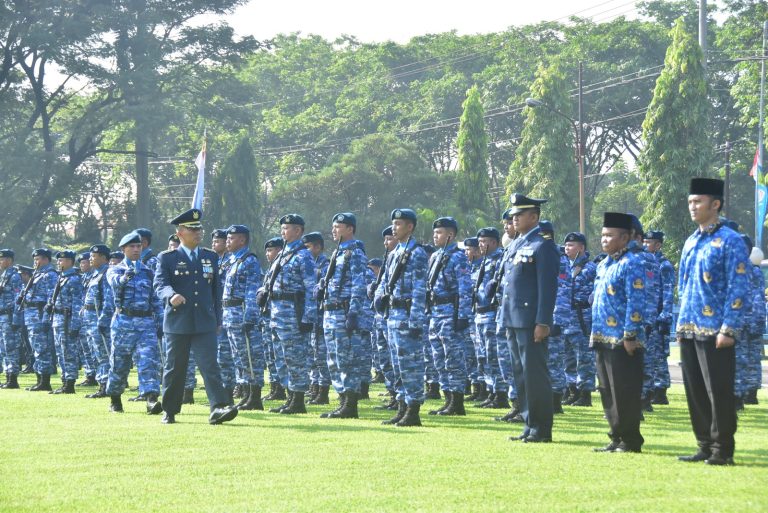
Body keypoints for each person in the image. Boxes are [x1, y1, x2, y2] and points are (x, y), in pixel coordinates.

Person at [677, 177, 749, 466]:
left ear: (715, 204)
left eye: (699, 202)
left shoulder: (730, 240)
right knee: (694, 390)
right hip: (690, 327)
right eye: (690, 202)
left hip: (716, 330)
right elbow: (683, 287)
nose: (693, 207)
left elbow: (738, 286)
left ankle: (722, 449)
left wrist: (729, 328)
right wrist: (681, 325)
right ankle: (704, 444)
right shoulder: (692, 240)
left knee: (718, 390)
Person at [154, 209, 238, 425]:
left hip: (204, 321)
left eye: (199, 228)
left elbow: (216, 292)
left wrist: (218, 320)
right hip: (177, 321)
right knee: (174, 368)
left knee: (210, 365)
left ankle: (218, 407)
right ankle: (170, 410)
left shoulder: (209, 256)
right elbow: (160, 284)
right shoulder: (167, 258)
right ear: (180, 232)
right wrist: (171, 295)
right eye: (192, 229)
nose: (198, 232)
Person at [498, 193, 559, 443]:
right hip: (513, 319)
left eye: (519, 214)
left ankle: (541, 428)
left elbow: (547, 287)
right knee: (520, 375)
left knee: (535, 375)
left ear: (534, 217)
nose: (514, 218)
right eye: (513, 214)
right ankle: (528, 423)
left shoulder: (543, 246)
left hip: (531, 321)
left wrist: (543, 321)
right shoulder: (515, 244)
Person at [590, 212, 647, 453]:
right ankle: (615, 437)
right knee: (607, 391)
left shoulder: (633, 262)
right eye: (603, 235)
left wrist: (630, 335)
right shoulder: (604, 264)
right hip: (602, 335)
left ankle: (630, 440)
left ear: (625, 238)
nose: (604, 240)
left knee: (625, 391)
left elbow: (636, 302)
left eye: (610, 235)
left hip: (623, 339)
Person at [374, 208, 428, 427]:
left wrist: (415, 321)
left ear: (410, 227)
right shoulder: (396, 251)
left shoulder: (416, 253)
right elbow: (385, 282)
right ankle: (402, 405)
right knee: (397, 365)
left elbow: (419, 289)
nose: (394, 228)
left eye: (399, 224)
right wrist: (379, 302)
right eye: (394, 223)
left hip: (406, 316)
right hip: (393, 315)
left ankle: (413, 409)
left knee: (410, 365)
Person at [259, 214, 317, 415]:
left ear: (298, 231)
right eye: (282, 228)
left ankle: (298, 399)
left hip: (293, 313)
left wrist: (308, 317)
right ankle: (290, 397)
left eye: (287, 228)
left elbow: (312, 289)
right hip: (277, 313)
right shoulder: (283, 254)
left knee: (295, 357)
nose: (283, 232)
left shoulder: (303, 255)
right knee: (281, 357)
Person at [106, 231, 163, 415]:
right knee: (119, 363)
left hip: (145, 322)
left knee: (149, 361)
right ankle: (115, 397)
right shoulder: (115, 269)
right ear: (123, 249)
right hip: (124, 322)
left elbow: (155, 300)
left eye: (138, 246)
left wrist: (162, 321)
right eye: (132, 247)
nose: (136, 249)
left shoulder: (148, 272)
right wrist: (125, 277)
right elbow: (115, 282)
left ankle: (151, 399)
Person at [318, 212, 368, 419]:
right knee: (333, 360)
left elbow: (358, 285)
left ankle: (350, 404)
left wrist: (354, 312)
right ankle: (342, 401)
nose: (334, 229)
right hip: (330, 311)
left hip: (343, 311)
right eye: (333, 226)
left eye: (338, 226)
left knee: (346, 359)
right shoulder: (338, 252)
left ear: (350, 229)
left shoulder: (354, 252)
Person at [426, 217, 472, 416]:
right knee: (438, 357)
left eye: (439, 233)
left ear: (450, 235)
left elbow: (465, 288)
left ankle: (457, 401)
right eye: (435, 232)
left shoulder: (458, 257)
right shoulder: (435, 256)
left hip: (450, 312)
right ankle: (447, 399)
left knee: (453, 358)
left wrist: (462, 315)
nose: (435, 236)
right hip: (435, 312)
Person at [222, 224, 264, 411]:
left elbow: (251, 292)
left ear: (242, 240)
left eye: (231, 238)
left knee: (250, 355)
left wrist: (250, 317)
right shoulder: (231, 260)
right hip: (230, 314)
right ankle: (246, 393)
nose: (227, 242)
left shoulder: (249, 261)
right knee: (238, 356)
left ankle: (255, 396)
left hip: (242, 312)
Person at [560, 232, 597, 407]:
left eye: (571, 245)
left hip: (582, 317)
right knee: (567, 357)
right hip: (566, 316)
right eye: (566, 245)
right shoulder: (564, 266)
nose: (567, 248)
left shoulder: (590, 268)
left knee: (584, 357)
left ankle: (585, 393)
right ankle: (571, 390)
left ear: (581, 248)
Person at [642, 230, 675, 405]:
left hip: (659, 316)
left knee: (659, 355)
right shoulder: (646, 263)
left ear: (658, 245)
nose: (645, 245)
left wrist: (665, 316)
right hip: (648, 315)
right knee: (649, 353)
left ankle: (660, 391)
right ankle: (652, 388)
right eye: (644, 241)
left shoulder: (664, 265)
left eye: (649, 242)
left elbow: (668, 292)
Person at [20, 248, 58, 392]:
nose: (36, 261)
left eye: (39, 259)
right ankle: (39, 380)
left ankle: (45, 381)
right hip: (31, 314)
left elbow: (51, 297)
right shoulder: (37, 273)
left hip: (40, 315)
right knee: (36, 348)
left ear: (47, 259)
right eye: (35, 259)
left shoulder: (50, 275)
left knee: (42, 349)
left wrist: (46, 318)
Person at [47, 250, 84, 394]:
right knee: (60, 352)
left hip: (67, 320)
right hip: (57, 319)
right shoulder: (61, 277)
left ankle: (69, 383)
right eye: (58, 261)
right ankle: (64, 381)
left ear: (70, 262)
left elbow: (77, 304)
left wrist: (75, 325)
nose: (59, 263)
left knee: (68, 351)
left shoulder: (74, 279)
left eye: (62, 261)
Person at [82, 244, 114, 399]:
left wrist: (103, 320)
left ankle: (106, 385)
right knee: (97, 353)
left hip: (99, 319)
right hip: (90, 319)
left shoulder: (106, 274)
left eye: (93, 256)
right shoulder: (95, 274)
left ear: (103, 257)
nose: (90, 259)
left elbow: (108, 301)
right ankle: (103, 383)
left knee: (103, 353)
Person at [302, 231, 331, 405]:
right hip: (310, 317)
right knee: (312, 356)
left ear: (318, 247)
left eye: (308, 247)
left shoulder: (326, 265)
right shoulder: (308, 265)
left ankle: (323, 391)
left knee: (321, 356)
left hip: (321, 317)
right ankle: (314, 387)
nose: (305, 251)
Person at [260, 237, 287, 402]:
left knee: (282, 355)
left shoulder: (282, 265)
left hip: (280, 316)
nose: (268, 254)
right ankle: (275, 388)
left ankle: (283, 389)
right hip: (268, 317)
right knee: (271, 355)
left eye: (271, 250)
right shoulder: (271, 269)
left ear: (279, 250)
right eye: (267, 251)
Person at [210, 228, 236, 401]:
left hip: (228, 311)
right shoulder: (213, 261)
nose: (215, 244)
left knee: (228, 354)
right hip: (216, 312)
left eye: (218, 241)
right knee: (219, 354)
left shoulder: (231, 261)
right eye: (213, 241)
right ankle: (222, 392)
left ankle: (230, 392)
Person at [75, 252, 98, 387]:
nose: (82, 265)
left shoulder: (95, 277)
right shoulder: (82, 278)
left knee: (93, 347)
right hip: (83, 316)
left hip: (92, 316)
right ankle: (89, 374)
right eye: (81, 263)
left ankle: (95, 374)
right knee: (84, 347)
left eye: (84, 262)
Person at [0, 249, 22, 389]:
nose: (0, 262)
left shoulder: (14, 276)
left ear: (9, 260)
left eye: (2, 259)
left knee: (11, 347)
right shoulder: (4, 275)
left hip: (9, 316)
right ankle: (8, 376)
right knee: (4, 348)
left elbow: (17, 299)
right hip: (2, 316)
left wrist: (15, 319)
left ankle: (13, 379)